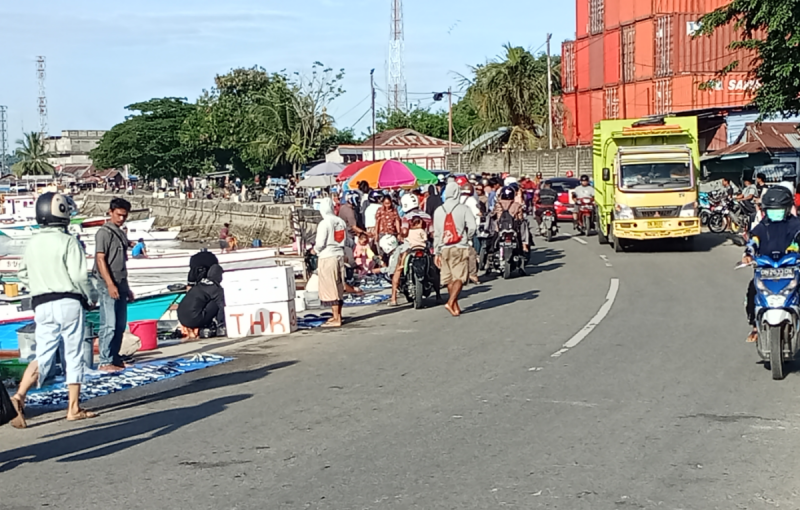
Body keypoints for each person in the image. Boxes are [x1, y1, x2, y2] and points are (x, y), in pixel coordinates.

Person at [10, 193, 98, 427]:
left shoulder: (33, 242)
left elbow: (22, 274)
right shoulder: (68, 241)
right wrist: (92, 296)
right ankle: (73, 407)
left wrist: (38, 286)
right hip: (68, 301)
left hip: (42, 303)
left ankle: (19, 396)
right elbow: (79, 276)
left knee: (44, 353)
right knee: (73, 353)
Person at [742, 186, 800, 343]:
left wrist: (794, 248)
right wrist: (748, 254)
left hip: (791, 268)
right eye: (772, 210)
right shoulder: (761, 227)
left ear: (787, 209)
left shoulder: (796, 225)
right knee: (752, 290)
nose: (775, 214)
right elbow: (753, 241)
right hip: (766, 269)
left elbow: (797, 239)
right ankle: (755, 326)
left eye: (779, 210)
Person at [94, 197, 135, 372]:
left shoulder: (121, 233)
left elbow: (122, 263)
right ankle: (104, 361)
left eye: (124, 216)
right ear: (110, 213)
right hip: (106, 283)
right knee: (109, 324)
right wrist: (110, 284)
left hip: (121, 282)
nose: (121, 219)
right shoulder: (104, 233)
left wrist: (127, 288)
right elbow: (100, 259)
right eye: (118, 215)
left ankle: (115, 358)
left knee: (120, 324)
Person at [434, 182, 477, 317]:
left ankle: (456, 307)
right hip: (459, 247)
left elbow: (436, 233)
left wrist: (437, 252)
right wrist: (467, 237)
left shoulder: (438, 210)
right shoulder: (463, 209)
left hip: (444, 248)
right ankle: (451, 301)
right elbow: (472, 227)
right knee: (460, 278)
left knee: (450, 278)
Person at [314, 197, 347, 328]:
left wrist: (315, 250)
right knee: (339, 285)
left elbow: (320, 243)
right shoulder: (340, 221)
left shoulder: (324, 223)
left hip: (327, 256)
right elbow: (345, 240)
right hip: (339, 254)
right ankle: (338, 315)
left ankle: (336, 318)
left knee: (330, 287)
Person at [178, 264, 227, 339]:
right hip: (194, 319)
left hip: (181, 318)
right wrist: (221, 322)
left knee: (203, 303)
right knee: (216, 303)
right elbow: (221, 307)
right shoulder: (216, 289)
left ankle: (204, 326)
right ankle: (219, 327)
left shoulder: (200, 283)